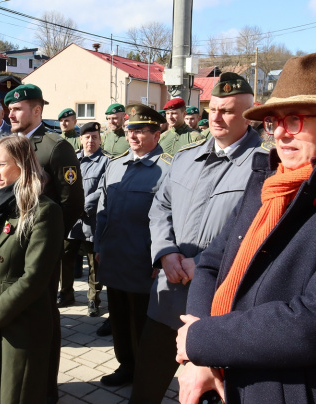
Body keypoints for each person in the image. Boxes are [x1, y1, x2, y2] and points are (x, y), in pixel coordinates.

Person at [176, 51, 316, 404]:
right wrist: (200, 355)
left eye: (294, 119)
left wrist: (203, 340)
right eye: (273, 121)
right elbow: (212, 264)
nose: (279, 133)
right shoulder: (270, 183)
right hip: (229, 380)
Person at [132, 73, 268, 403]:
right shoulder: (184, 158)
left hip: (219, 310)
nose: (217, 118)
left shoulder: (264, 166)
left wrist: (204, 263)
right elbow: (160, 206)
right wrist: (165, 251)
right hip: (169, 298)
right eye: (214, 109)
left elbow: (261, 233)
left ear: (249, 115)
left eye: (229, 111)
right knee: (146, 388)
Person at [0, 135, 64, 402]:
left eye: (1, 165)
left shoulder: (44, 211)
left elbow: (34, 279)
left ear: (22, 164)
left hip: (21, 327)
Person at [4, 83, 84, 403]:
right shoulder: (6, 144)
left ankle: (45, 389)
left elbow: (72, 202)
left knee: (42, 320)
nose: (11, 112)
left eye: (18, 108)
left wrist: (48, 244)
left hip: (39, 252)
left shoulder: (54, 147)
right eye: (9, 108)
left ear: (37, 111)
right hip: (9, 251)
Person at [95, 104, 172, 387]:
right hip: (114, 257)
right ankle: (126, 365)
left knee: (143, 322)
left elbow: (173, 219)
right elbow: (103, 211)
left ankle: (146, 374)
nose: (133, 136)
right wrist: (98, 247)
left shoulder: (167, 168)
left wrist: (161, 258)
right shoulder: (115, 166)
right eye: (131, 130)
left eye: (141, 131)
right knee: (118, 318)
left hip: (143, 262)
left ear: (156, 132)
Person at [61, 122, 109, 316]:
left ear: (100, 139)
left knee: (93, 262)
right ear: (81, 139)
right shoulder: (72, 159)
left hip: (92, 220)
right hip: (72, 221)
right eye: (87, 137)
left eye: (95, 137)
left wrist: (81, 206)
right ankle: (65, 294)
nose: (91, 141)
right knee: (66, 257)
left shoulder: (107, 162)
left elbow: (103, 189)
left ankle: (93, 299)